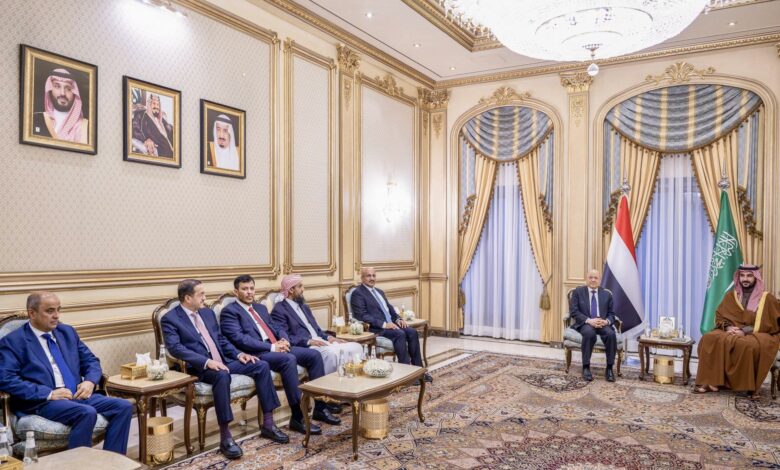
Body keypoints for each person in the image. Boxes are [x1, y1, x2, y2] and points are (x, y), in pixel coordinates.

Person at [161, 279, 288, 460]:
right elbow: (175, 348)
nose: (205, 298)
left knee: (261, 365)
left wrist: (239, 354)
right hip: (199, 368)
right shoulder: (170, 319)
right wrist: (206, 362)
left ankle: (268, 424)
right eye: (201, 294)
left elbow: (220, 339)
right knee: (222, 376)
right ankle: (226, 437)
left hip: (224, 360)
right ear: (188, 298)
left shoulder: (207, 313)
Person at [0, 292, 132, 454]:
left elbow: (91, 361)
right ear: (32, 313)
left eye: (58, 310)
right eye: (50, 311)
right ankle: (77, 464)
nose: (56, 316)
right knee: (86, 413)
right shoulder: (13, 341)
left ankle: (113, 461)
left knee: (124, 406)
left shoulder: (67, 332)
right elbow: (6, 379)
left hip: (77, 394)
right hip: (43, 402)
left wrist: (90, 382)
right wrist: (49, 394)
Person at [220, 275, 341, 436]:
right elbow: (240, 339)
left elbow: (276, 327)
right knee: (288, 359)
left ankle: (320, 407)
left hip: (276, 346)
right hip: (258, 353)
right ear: (236, 292)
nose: (249, 292)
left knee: (314, 355)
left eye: (251, 288)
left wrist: (284, 339)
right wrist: (272, 347)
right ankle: (297, 416)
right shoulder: (230, 312)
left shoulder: (260, 308)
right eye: (245, 289)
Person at [694, 265, 780, 398]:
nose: (745, 279)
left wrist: (744, 331)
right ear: (738, 277)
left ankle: (748, 386)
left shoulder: (767, 298)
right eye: (742, 275)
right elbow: (721, 316)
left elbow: (771, 323)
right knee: (709, 338)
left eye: (749, 276)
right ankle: (710, 380)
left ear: (756, 278)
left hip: (757, 332)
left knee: (747, 345)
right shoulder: (731, 296)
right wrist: (728, 327)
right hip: (732, 329)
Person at [350, 267, 433, 383]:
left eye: (374, 275)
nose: (372, 278)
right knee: (400, 334)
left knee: (412, 332)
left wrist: (398, 319)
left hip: (391, 324)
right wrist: (384, 324)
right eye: (368, 276)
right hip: (376, 328)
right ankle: (406, 376)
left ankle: (419, 372)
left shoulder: (379, 292)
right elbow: (362, 316)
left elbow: (389, 309)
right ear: (362, 278)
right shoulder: (358, 293)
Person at [271, 274, 363, 376]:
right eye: (300, 286)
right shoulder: (280, 310)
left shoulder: (304, 307)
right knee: (331, 354)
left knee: (356, 347)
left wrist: (329, 338)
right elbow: (285, 337)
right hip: (306, 346)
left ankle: (350, 380)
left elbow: (317, 330)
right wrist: (309, 341)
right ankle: (329, 384)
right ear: (291, 290)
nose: (303, 289)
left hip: (320, 341)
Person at [569, 269, 617, 382]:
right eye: (590, 277)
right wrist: (589, 320)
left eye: (596, 278)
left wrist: (606, 321)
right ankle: (586, 367)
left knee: (611, 334)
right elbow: (574, 311)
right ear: (586, 279)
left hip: (602, 322)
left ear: (600, 280)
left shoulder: (607, 294)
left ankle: (609, 368)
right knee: (589, 334)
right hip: (586, 322)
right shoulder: (578, 292)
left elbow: (612, 314)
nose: (593, 280)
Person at [32, 68, 89, 144]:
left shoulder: (86, 126)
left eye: (68, 89)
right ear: (50, 89)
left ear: (75, 94)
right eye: (57, 86)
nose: (62, 93)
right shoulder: (36, 119)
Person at [131, 93, 174, 157]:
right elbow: (134, 128)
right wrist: (146, 139)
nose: (156, 107)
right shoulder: (142, 115)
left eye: (158, 104)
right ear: (149, 104)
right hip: (161, 152)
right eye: (154, 103)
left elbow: (171, 131)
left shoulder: (161, 120)